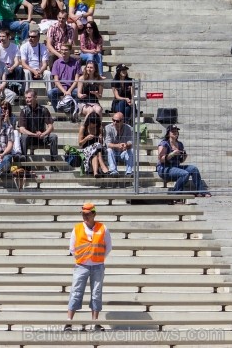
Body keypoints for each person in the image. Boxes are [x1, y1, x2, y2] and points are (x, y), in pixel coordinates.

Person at [65, 202, 112, 332]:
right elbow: (72, 248)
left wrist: (98, 258)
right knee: (76, 291)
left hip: (97, 266)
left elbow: (108, 247)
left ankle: (95, 323)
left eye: (87, 214)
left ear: (93, 214)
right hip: (82, 265)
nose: (84, 217)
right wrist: (83, 258)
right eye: (83, 214)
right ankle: (69, 322)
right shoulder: (77, 228)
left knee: (96, 293)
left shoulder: (103, 228)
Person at [157, 125, 211, 197]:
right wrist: (172, 154)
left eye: (176, 131)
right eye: (173, 131)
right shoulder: (164, 143)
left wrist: (184, 157)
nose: (175, 132)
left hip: (175, 167)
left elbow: (180, 161)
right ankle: (176, 194)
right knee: (185, 173)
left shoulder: (180, 144)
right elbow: (161, 159)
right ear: (168, 133)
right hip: (165, 169)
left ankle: (201, 191)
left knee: (193, 169)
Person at [18, 89, 58, 171]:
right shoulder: (24, 111)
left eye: (29, 97)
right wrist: (33, 134)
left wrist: (44, 134)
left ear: (36, 97)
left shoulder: (44, 110)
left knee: (54, 137)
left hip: (41, 138)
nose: (27, 100)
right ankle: (24, 164)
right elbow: (21, 129)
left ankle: (53, 163)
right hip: (30, 138)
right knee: (23, 137)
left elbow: (51, 127)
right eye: (26, 98)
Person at [48, 43, 79, 112]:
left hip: (72, 88)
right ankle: (59, 112)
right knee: (50, 93)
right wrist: (64, 91)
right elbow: (56, 80)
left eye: (66, 50)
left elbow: (77, 80)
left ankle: (74, 112)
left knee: (78, 93)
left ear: (70, 51)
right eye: (62, 50)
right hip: (60, 88)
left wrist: (69, 91)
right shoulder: (56, 63)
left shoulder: (76, 63)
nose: (63, 52)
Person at [78, 112, 109, 177]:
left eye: (96, 123)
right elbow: (80, 143)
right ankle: (103, 166)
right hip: (86, 149)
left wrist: (100, 139)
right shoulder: (83, 128)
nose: (94, 125)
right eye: (93, 123)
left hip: (96, 150)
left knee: (95, 152)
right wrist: (86, 138)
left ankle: (95, 173)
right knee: (96, 147)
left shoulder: (99, 128)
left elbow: (101, 144)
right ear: (89, 121)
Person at [104, 112, 134, 177]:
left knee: (131, 150)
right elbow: (108, 144)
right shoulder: (108, 127)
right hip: (112, 153)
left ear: (122, 121)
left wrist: (126, 145)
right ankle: (113, 171)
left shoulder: (128, 128)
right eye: (113, 120)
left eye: (117, 121)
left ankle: (129, 172)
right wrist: (117, 145)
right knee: (109, 150)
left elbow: (130, 142)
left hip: (123, 153)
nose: (115, 122)